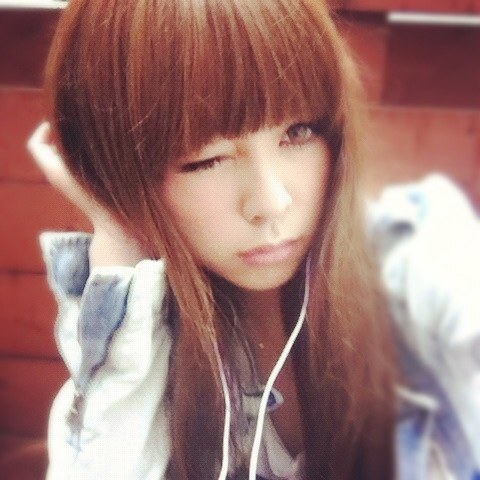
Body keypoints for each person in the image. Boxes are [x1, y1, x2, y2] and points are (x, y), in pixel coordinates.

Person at [27, 0, 480, 478]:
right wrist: (120, 233)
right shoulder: (152, 327)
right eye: (205, 159)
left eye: (298, 132)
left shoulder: (424, 262)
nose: (271, 201)